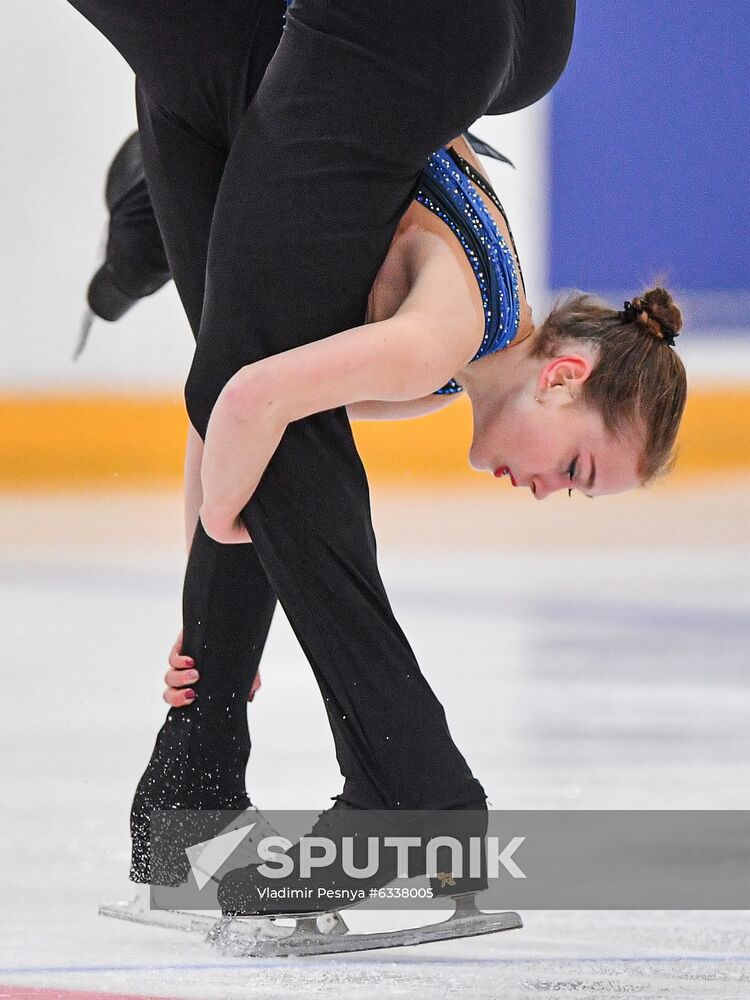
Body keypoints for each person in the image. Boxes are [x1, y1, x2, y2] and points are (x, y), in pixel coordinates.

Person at [62, 0, 680, 908]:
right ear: (563, 378)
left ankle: (196, 786)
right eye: (578, 472)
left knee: (239, 319)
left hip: (332, 66)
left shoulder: (441, 370)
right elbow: (247, 400)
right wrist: (226, 532)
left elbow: (231, 407)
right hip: (409, 41)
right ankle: (392, 800)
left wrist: (210, 626)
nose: (549, 494)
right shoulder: (441, 339)